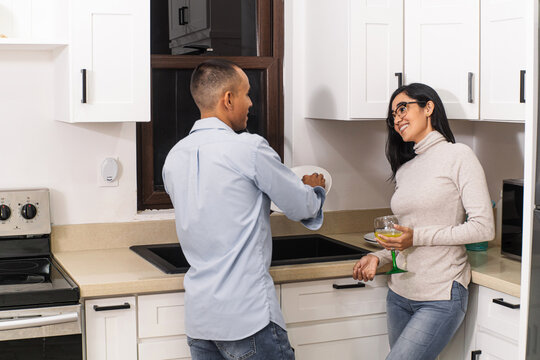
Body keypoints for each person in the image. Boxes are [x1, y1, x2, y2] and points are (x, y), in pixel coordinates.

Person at [162, 59, 326, 360]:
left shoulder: (174, 157)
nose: (251, 102)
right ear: (228, 99)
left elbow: (223, 208)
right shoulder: (248, 149)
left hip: (201, 322)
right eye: (247, 94)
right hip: (247, 319)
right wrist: (315, 189)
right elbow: (299, 205)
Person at [352, 83, 495, 360]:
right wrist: (378, 257)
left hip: (440, 294)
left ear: (428, 107)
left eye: (403, 108)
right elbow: (405, 237)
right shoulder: (406, 169)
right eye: (393, 115)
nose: (397, 119)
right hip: (399, 294)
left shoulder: (459, 156)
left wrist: (416, 237)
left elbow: (483, 227)